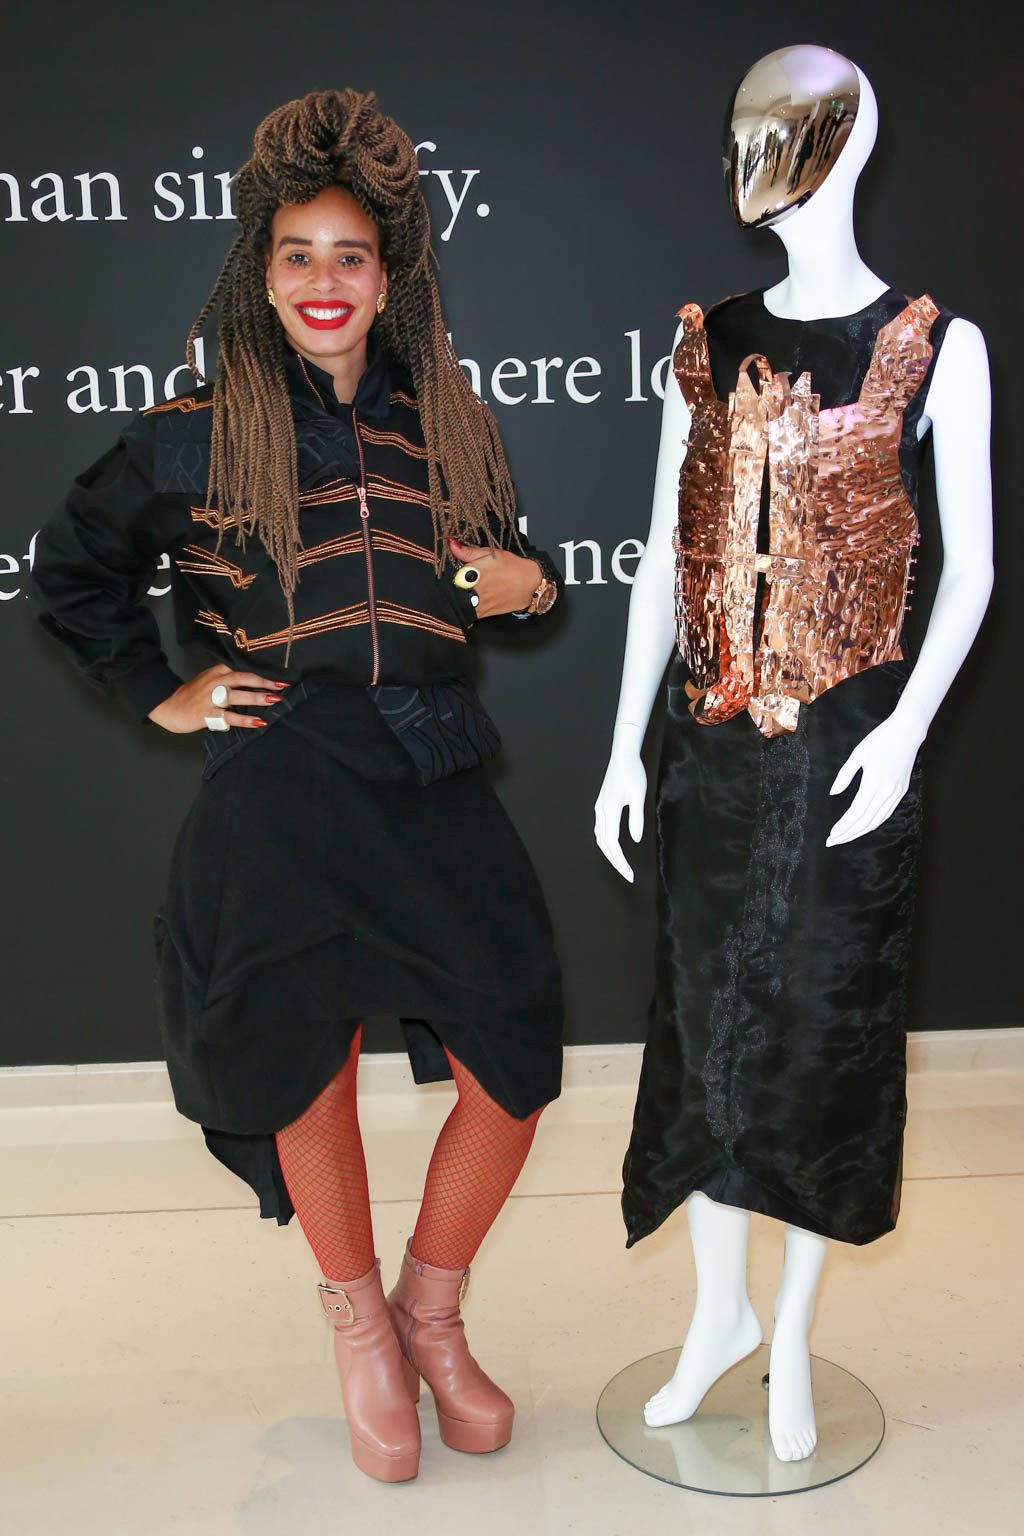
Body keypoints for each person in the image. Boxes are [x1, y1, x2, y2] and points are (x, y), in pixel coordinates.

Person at [29, 88, 564, 1485]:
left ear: (391, 277)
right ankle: (361, 1330)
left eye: (351, 256)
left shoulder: (446, 419)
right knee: (302, 1060)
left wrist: (531, 583)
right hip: (281, 789)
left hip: (431, 767)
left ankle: (431, 1311)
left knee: (512, 1062)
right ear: (259, 275)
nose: (325, 280)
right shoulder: (196, 429)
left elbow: (511, 567)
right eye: (297, 254)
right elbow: (72, 572)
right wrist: (164, 689)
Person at [594, 47, 992, 1463]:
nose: (763, 157)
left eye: (796, 129)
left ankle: (797, 1340)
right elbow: (661, 558)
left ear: (853, 140)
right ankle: (718, 1316)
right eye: (749, 129)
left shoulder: (934, 345)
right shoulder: (702, 344)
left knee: (824, 1043)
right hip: (708, 754)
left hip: (848, 752)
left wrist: (907, 730)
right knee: (705, 1038)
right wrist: (622, 751)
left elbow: (972, 569)